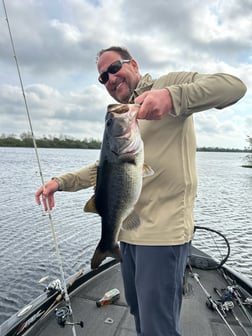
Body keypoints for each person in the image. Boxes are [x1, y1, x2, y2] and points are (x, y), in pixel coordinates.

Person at [35, 46, 247, 336]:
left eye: (113, 68)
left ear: (133, 63)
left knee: (157, 327)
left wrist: (172, 97)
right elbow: (106, 167)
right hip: (127, 234)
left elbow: (234, 87)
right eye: (102, 77)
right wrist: (60, 182)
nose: (109, 78)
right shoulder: (121, 116)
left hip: (162, 235)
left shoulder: (170, 85)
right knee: (138, 313)